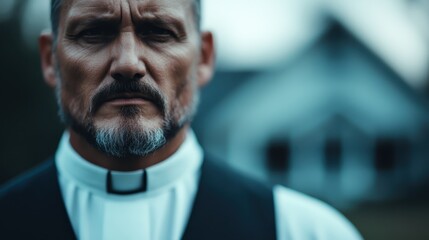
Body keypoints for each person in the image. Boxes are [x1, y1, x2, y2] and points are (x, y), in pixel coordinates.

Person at [0, 0, 362, 239]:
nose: (128, 63)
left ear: (204, 57)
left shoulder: (306, 231)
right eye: (94, 32)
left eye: (158, 32)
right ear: (50, 59)